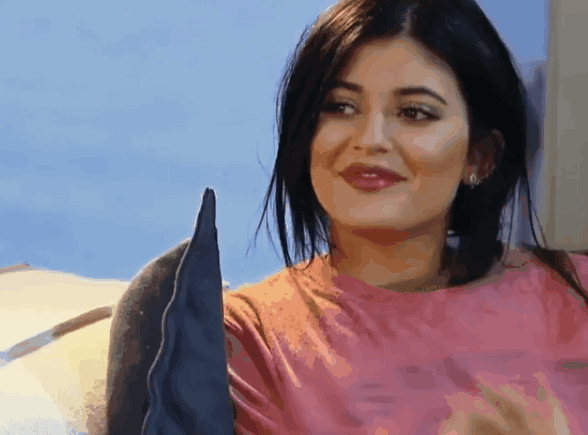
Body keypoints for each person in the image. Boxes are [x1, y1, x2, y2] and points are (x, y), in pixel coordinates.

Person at [105, 0, 588, 433]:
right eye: (340, 107)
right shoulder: (243, 341)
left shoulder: (574, 289)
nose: (370, 138)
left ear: (480, 156)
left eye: (414, 112)